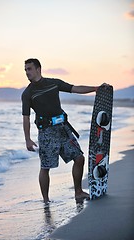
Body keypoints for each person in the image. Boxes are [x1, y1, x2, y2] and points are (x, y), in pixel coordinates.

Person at [22, 58, 100, 204]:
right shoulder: (27, 93)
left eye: (29, 69)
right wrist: (27, 139)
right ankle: (46, 201)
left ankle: (78, 192)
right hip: (46, 133)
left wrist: (95, 89)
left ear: (38, 68)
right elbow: (25, 118)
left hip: (63, 129)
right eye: (25, 69)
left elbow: (75, 88)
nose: (27, 72)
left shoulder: (53, 83)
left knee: (79, 158)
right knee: (45, 167)